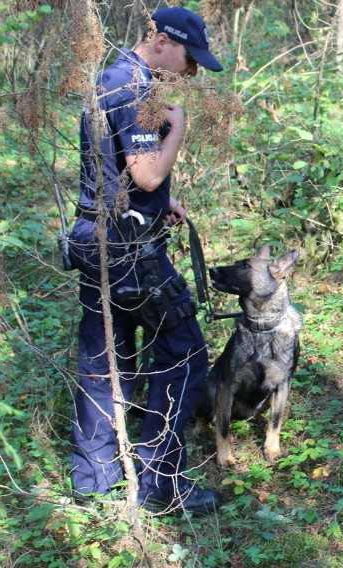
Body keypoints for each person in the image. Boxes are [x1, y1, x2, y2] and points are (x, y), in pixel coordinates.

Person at [68, 7, 224, 513]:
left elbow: (115, 171)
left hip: (97, 235)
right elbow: (147, 175)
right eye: (188, 59)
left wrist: (160, 205)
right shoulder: (135, 88)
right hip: (127, 249)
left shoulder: (113, 75)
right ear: (160, 40)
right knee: (184, 356)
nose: (191, 73)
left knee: (103, 359)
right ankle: (160, 486)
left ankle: (94, 481)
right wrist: (175, 127)